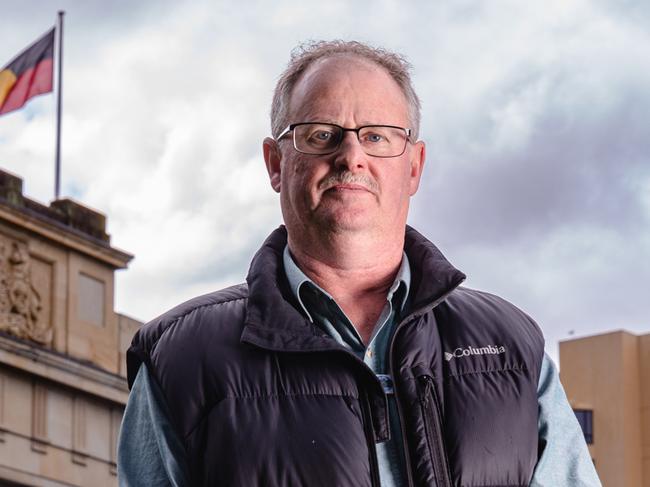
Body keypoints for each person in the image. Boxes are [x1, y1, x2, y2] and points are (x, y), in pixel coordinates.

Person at [118, 40, 601, 487]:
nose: (351, 156)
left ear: (414, 166)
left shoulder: (513, 348)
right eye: (321, 134)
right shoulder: (181, 361)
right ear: (274, 163)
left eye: (376, 136)